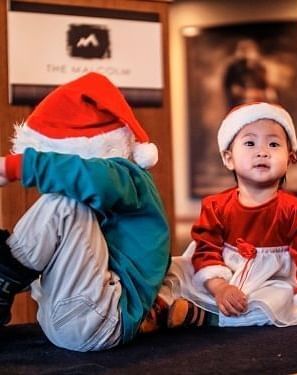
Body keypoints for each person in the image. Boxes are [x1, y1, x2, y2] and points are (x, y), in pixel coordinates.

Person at [0, 72, 170, 351]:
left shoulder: (128, 178)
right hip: (70, 314)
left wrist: (15, 167)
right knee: (67, 201)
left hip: (101, 318)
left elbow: (94, 178)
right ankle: (6, 276)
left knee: (68, 202)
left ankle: (5, 275)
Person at [157, 102, 297, 331]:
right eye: (249, 143)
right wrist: (220, 287)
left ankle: (203, 316)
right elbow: (206, 250)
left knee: (279, 299)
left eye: (274, 144)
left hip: (270, 279)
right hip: (221, 273)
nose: (262, 151)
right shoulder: (216, 206)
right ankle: (162, 308)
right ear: (229, 158)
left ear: (290, 158)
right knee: (176, 269)